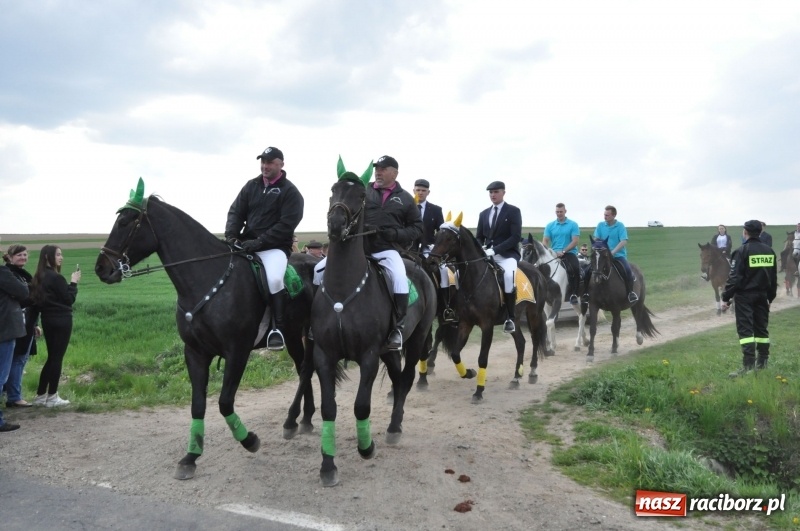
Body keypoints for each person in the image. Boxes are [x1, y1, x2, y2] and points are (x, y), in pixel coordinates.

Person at [313, 155, 422, 350]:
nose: (378, 172)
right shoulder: (363, 192)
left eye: (383, 168)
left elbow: (417, 228)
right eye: (377, 168)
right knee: (319, 269)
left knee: (399, 277)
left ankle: (398, 327)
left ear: (394, 173)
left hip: (386, 251)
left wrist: (394, 233)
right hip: (358, 251)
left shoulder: (405, 198)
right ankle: (317, 319)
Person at [225, 146, 304, 351]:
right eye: (263, 162)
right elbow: (235, 212)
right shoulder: (251, 186)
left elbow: (286, 225)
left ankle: (277, 328)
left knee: (275, 279)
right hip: (246, 244)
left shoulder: (291, 192)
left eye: (269, 162)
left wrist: (259, 242)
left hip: (274, 249)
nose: (265, 166)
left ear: (281, 164)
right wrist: (232, 236)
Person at [721, 220, 777, 376]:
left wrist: (726, 297)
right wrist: (770, 299)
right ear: (760, 232)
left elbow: (734, 278)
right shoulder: (769, 251)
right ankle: (762, 364)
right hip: (763, 296)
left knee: (746, 331)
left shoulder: (741, 252)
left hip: (744, 297)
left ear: (745, 232)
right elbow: (773, 279)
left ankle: (748, 367)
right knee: (761, 330)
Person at [31, 245, 80, 407]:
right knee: (57, 358)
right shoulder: (56, 278)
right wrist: (73, 283)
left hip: (47, 319)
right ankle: (52, 397)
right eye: (58, 254)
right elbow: (68, 299)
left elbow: (36, 303)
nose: (61, 257)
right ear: (47, 257)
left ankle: (40, 396)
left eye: (61, 254)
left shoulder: (39, 276)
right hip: (62, 320)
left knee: (51, 357)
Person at [475, 181, 522, 333]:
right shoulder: (484, 214)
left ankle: (510, 317)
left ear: (503, 192)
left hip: (507, 255)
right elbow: (479, 237)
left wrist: (495, 250)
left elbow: (515, 237)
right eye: (490, 192)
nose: (493, 195)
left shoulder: (513, 211)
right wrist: (479, 248)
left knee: (508, 276)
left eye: (496, 192)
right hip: (488, 255)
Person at [2, 245, 39, 408]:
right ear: (9, 257)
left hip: (26, 321)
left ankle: (13, 394)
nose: (23, 257)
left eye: (25, 254)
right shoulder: (8, 273)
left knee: (20, 358)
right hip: (13, 323)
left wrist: (35, 323)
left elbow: (28, 298)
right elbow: (25, 296)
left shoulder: (23, 275)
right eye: (19, 255)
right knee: (16, 359)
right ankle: (14, 396)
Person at [412, 178, 453, 322]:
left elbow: (440, 232)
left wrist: (434, 246)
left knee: (443, 272)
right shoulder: (407, 207)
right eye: (418, 190)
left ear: (428, 192)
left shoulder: (435, 210)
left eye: (423, 190)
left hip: (428, 248)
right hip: (409, 249)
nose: (421, 193)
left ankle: (445, 307)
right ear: (414, 191)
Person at [583, 205, 638, 304]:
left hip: (618, 255)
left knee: (627, 270)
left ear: (614, 215)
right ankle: (586, 293)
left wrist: (613, 252)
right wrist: (595, 247)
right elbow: (596, 239)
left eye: (607, 215)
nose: (605, 217)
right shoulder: (600, 225)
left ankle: (631, 293)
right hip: (602, 256)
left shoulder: (620, 226)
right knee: (587, 270)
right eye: (604, 215)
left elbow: (624, 241)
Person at [1, 243, 29, 431]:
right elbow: (24, 292)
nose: (23, 257)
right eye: (19, 254)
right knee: (1, 376)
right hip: (4, 330)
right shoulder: (3, 273)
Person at [542, 203, 582, 305]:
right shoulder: (550, 225)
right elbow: (545, 240)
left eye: (561, 212)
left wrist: (564, 251)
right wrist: (546, 250)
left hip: (569, 253)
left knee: (575, 268)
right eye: (557, 212)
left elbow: (575, 241)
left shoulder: (573, 224)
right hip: (553, 253)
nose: (559, 214)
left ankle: (574, 293)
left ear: (565, 211)